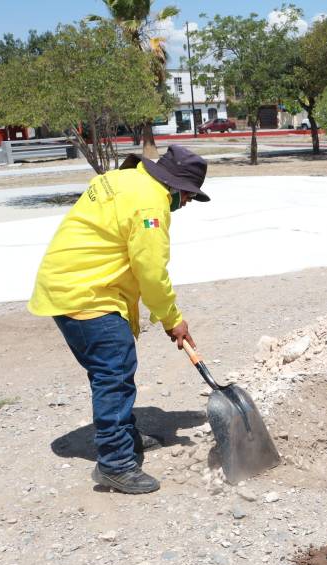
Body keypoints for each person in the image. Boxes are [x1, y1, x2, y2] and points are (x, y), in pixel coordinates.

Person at [28, 145, 210, 494]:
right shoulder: (150, 206)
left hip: (67, 283)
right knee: (113, 372)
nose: (187, 203)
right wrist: (173, 319)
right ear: (175, 187)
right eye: (188, 196)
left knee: (113, 368)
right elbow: (152, 273)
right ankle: (115, 463)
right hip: (86, 291)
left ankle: (124, 436)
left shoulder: (125, 179)